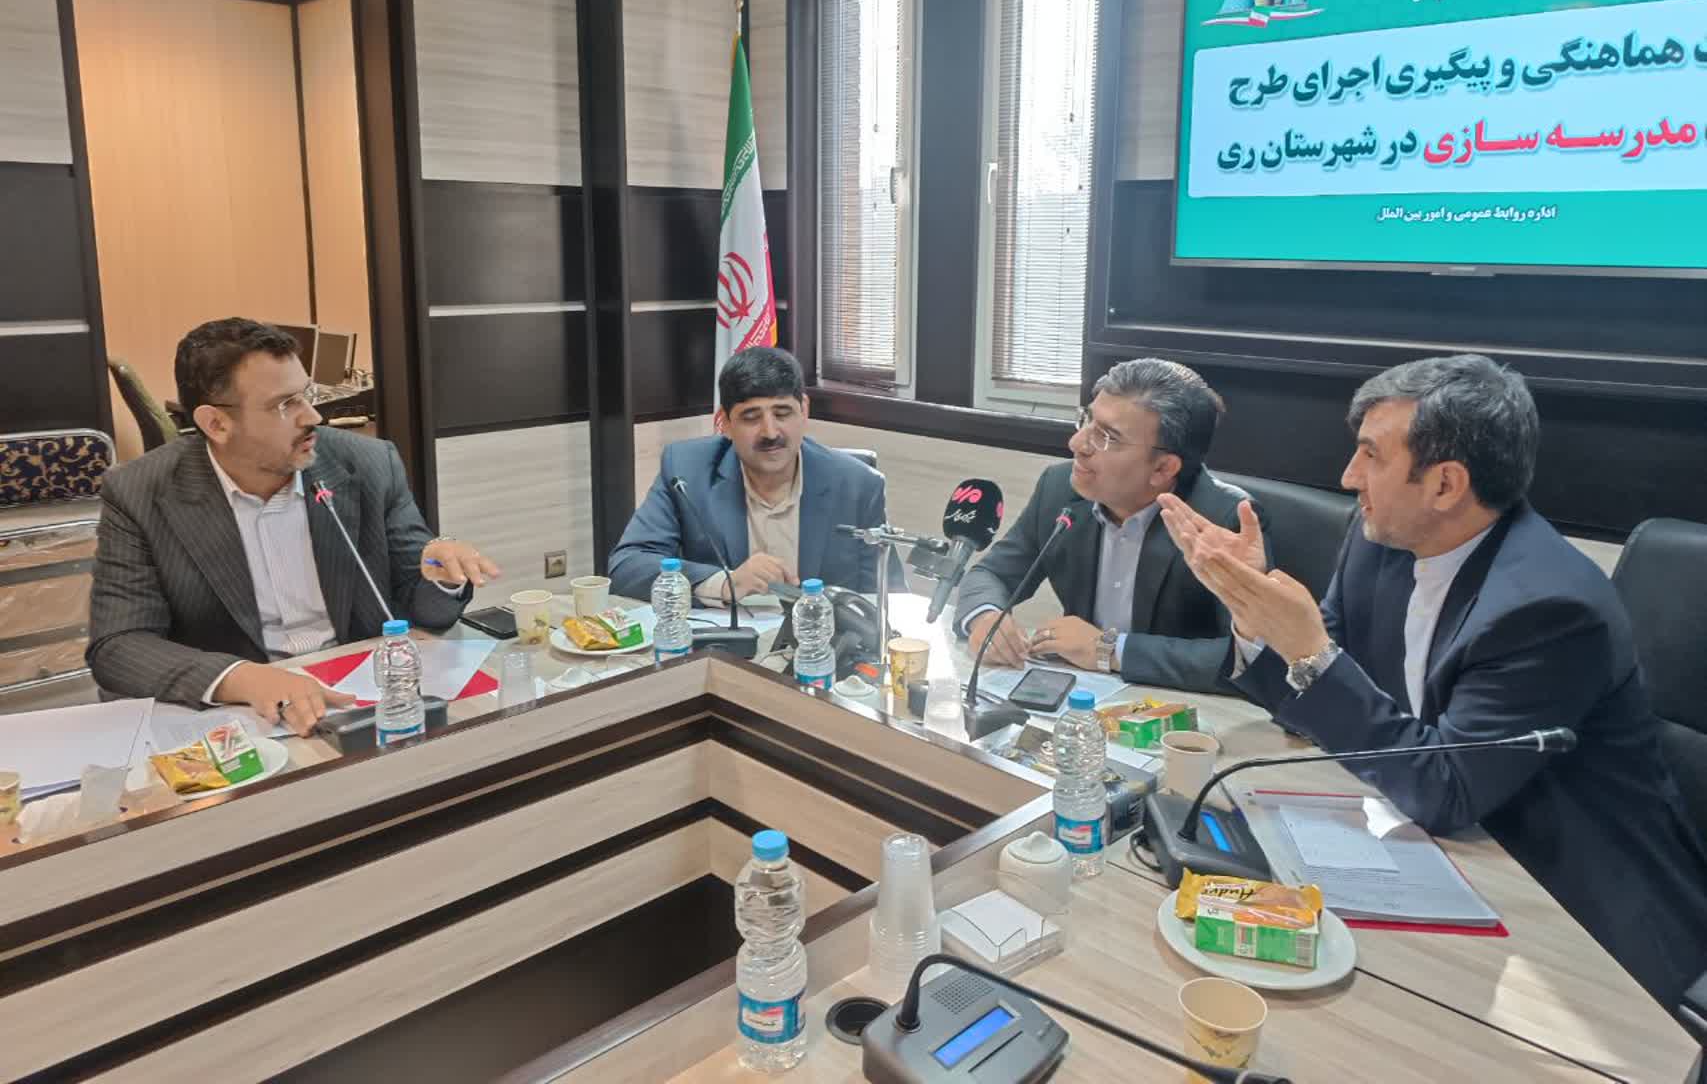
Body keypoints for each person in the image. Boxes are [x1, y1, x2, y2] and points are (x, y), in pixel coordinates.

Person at [1159, 353, 1707, 1013]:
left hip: (1575, 912)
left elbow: (1445, 789)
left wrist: (1305, 646)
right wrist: (1255, 614)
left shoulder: (1549, 608)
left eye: (1371, 455)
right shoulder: (1378, 542)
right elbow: (1313, 700)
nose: (1348, 476)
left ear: (1445, 484)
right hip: (1433, 852)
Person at [87, 318, 498, 735]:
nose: (313, 416)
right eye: (285, 405)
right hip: (243, 717)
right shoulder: (141, 493)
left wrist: (442, 578)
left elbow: (426, 611)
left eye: (307, 394)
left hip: (357, 698)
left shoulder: (368, 465)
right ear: (216, 424)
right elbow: (118, 646)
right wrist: (244, 679)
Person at [955, 358, 1271, 693]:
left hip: (1180, 710)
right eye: (1087, 420)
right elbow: (991, 574)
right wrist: (985, 616)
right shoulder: (1059, 489)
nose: (1077, 444)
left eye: (1107, 437)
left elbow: (1249, 659)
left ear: (1163, 468)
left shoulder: (1225, 519)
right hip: (1080, 695)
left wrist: (1110, 650)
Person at [610, 347, 891, 603]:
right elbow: (628, 565)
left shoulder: (858, 485)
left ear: (804, 410)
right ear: (725, 422)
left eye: (782, 413)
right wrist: (725, 583)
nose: (770, 432)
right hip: (724, 637)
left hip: (822, 639)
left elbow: (887, 595)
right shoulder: (686, 472)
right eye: (751, 417)